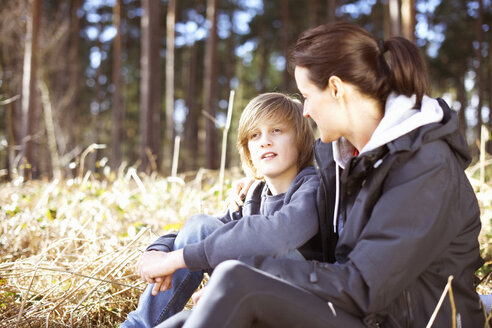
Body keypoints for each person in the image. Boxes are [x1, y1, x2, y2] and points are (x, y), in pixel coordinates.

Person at [157, 22, 486, 328]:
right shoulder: (344, 161)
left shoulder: (424, 168)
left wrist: (252, 270)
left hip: (400, 321)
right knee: (180, 322)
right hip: (357, 312)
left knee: (236, 281)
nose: (305, 111)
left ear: (336, 89)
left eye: (306, 96)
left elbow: (364, 286)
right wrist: (260, 183)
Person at [121, 92, 321, 327]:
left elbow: (278, 234)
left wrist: (176, 259)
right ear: (247, 151)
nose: (265, 140)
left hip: (301, 297)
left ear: (300, 139)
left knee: (222, 233)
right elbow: (200, 232)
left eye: (277, 130)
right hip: (251, 293)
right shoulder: (253, 196)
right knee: (202, 226)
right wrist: (160, 249)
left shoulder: (313, 185)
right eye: (255, 135)